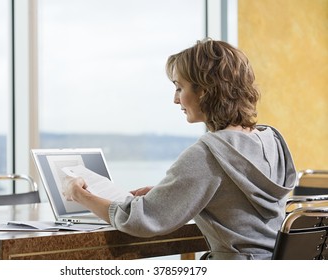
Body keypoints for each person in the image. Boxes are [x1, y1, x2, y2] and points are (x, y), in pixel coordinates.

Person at [62, 38, 297, 260]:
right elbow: (236, 199)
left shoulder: (209, 153)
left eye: (179, 88)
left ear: (204, 91)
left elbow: (140, 220)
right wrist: (174, 192)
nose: (176, 100)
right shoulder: (271, 140)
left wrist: (81, 195)